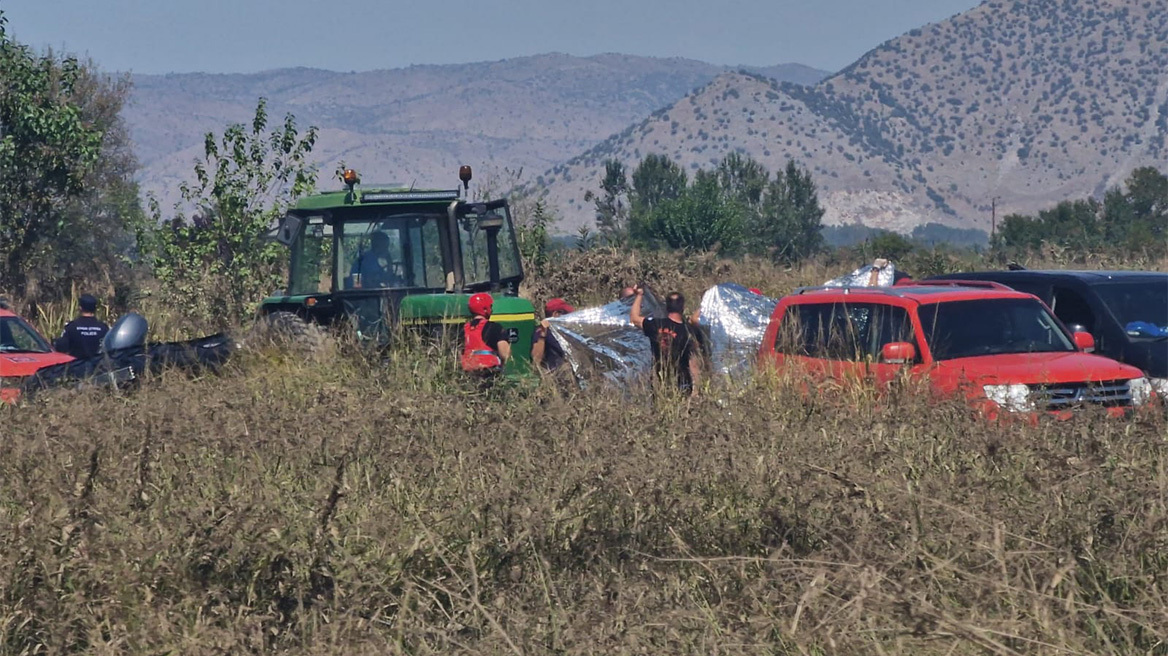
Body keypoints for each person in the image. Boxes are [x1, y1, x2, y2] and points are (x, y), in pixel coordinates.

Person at [630, 286, 701, 395]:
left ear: (667, 307)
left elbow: (634, 318)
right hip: (682, 383)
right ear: (682, 307)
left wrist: (639, 295)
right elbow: (693, 363)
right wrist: (696, 391)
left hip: (659, 382)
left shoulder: (655, 324)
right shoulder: (688, 331)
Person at [461, 292, 511, 373]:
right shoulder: (495, 327)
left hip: (467, 374)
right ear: (485, 309)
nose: (492, 310)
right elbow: (505, 354)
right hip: (489, 372)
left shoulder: (463, 329)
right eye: (490, 307)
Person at [55, 294, 109, 359]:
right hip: (98, 366)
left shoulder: (71, 327)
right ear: (95, 309)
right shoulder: (103, 328)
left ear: (80, 308)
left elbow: (61, 347)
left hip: (77, 366)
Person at [532, 297, 573, 371]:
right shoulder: (542, 331)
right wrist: (542, 335)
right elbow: (536, 360)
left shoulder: (565, 331)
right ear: (556, 314)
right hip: (557, 373)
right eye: (566, 313)